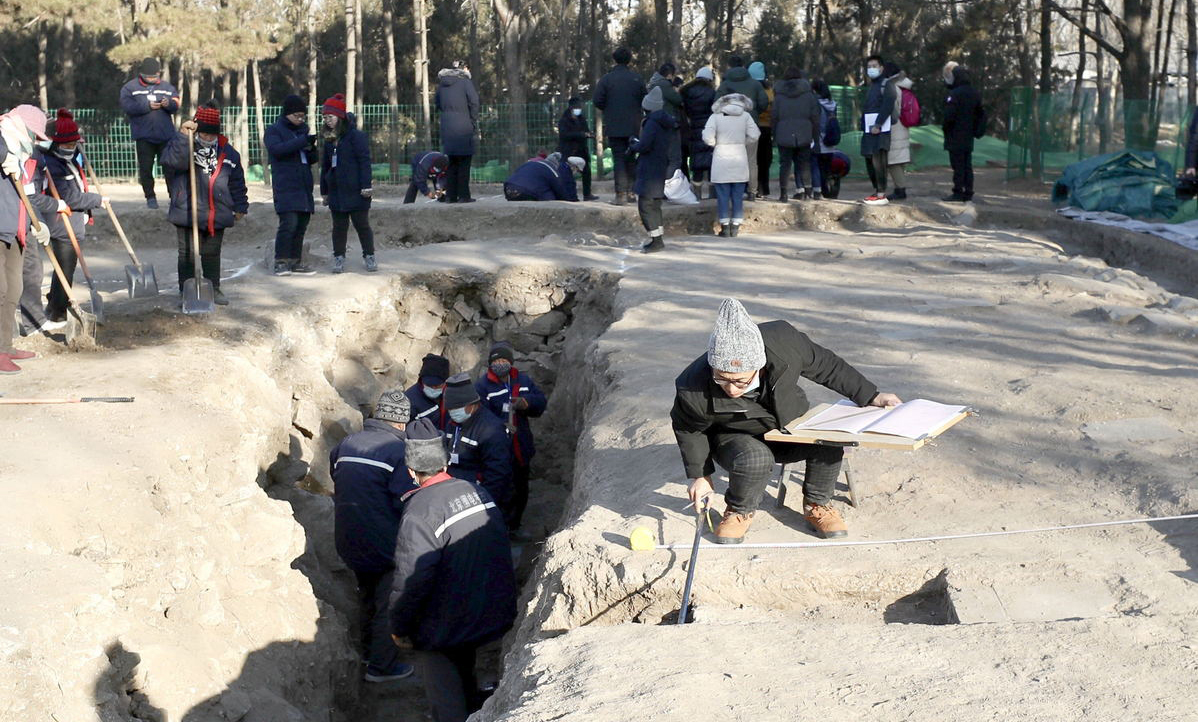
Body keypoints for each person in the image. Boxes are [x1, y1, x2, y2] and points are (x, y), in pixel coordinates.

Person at [671, 298, 902, 544]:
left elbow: (827, 366)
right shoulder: (692, 384)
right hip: (733, 435)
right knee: (755, 458)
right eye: (721, 379)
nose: (730, 388)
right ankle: (739, 511)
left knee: (830, 436)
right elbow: (688, 428)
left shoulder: (784, 342)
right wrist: (701, 476)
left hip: (788, 422)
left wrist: (871, 395)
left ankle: (818, 503)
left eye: (740, 381)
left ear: (759, 366)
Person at [390, 418, 518, 722]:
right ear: (445, 462)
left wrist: (399, 626)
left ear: (411, 471)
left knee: (445, 696)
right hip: (487, 610)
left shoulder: (420, 512)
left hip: (445, 625)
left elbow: (411, 580)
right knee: (468, 679)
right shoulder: (477, 492)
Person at [329, 389, 417, 683]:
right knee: (388, 603)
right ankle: (382, 666)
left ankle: (367, 651)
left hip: (348, 538)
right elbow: (406, 500)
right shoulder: (398, 451)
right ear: (402, 422)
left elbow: (337, 478)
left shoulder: (346, 444)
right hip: (383, 543)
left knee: (366, 595)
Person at [161, 101, 248, 307]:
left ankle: (213, 287)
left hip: (216, 211)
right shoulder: (184, 145)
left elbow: (237, 182)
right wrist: (184, 137)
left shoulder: (228, 153)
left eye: (212, 135)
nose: (208, 138)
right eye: (204, 134)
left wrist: (240, 205)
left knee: (212, 252)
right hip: (187, 209)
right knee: (187, 254)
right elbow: (172, 162)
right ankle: (186, 290)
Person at [0, 105, 55, 374]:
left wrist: (36, 223)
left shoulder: (23, 154)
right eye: (33, 133)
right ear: (21, 126)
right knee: (0, 290)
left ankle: (5, 346)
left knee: (14, 289)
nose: (34, 140)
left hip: (15, 228)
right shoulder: (3, 138)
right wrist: (3, 155)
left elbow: (26, 195)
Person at [42, 109, 107, 325]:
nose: (71, 148)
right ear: (58, 143)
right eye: (68, 145)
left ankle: (54, 303)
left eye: (74, 144)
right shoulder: (53, 164)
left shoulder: (68, 159)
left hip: (72, 221)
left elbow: (76, 187)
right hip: (62, 223)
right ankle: (59, 310)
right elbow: (69, 196)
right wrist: (96, 200)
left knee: (63, 267)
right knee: (66, 268)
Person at [475, 341, 547, 533]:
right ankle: (500, 529)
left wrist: (526, 403)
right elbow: (479, 416)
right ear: (490, 363)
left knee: (521, 488)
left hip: (521, 447)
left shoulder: (522, 380)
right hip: (497, 450)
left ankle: (515, 526)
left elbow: (541, 402)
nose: (500, 364)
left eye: (504, 360)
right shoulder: (482, 386)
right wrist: (500, 425)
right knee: (501, 488)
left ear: (511, 361)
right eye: (496, 361)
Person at [441, 373, 514, 518]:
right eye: (450, 409)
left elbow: (497, 476)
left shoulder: (491, 430)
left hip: (482, 498)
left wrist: (484, 507)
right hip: (457, 494)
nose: (453, 412)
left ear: (472, 404)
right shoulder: (453, 424)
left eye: (457, 408)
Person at [319, 93, 377, 273]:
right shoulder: (329, 140)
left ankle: (369, 255)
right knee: (339, 227)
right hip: (336, 191)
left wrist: (366, 185)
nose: (328, 121)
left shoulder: (356, 137)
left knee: (362, 225)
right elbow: (325, 166)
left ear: (340, 116)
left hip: (357, 190)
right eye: (325, 118)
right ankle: (338, 257)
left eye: (331, 117)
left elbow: (364, 161)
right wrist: (325, 191)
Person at [265, 94, 318, 276]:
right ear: (287, 113)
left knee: (301, 224)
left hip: (303, 186)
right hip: (286, 185)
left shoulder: (302, 132)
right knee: (289, 223)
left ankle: (295, 262)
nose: (300, 119)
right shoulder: (274, 131)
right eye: (297, 116)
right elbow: (277, 150)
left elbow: (311, 159)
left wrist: (311, 148)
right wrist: (302, 141)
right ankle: (281, 261)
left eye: (303, 116)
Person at [119, 58, 180, 209]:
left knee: (170, 168)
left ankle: (174, 198)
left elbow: (176, 103)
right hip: (144, 136)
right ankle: (150, 198)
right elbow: (127, 106)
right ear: (141, 74)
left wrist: (168, 104)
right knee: (145, 169)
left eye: (154, 76)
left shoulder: (167, 87)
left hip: (166, 136)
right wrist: (147, 106)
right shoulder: (130, 88)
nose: (152, 79)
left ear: (159, 73)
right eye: (149, 76)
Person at [593, 47, 647, 206]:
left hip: (614, 125)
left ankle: (620, 194)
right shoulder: (637, 78)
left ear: (614, 59)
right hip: (634, 126)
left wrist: (610, 109)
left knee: (619, 159)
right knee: (632, 158)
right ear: (629, 60)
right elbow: (645, 100)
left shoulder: (606, 79)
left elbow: (597, 100)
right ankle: (632, 192)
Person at [703, 93, 759, 237]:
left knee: (722, 194)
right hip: (739, 156)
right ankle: (735, 226)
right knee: (738, 194)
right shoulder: (746, 116)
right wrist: (742, 143)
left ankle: (725, 227)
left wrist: (715, 144)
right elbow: (754, 134)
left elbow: (707, 137)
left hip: (721, 156)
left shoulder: (715, 116)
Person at [631, 86, 678, 254]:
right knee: (655, 204)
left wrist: (634, 145)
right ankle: (658, 238)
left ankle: (656, 240)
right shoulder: (665, 122)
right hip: (660, 165)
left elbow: (645, 145)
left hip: (649, 167)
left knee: (645, 204)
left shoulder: (652, 123)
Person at [716, 56, 769, 200]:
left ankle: (734, 192)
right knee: (751, 160)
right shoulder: (755, 84)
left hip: (730, 127)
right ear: (744, 66)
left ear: (729, 66)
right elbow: (764, 102)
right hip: (750, 125)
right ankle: (752, 191)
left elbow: (716, 103)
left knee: (731, 159)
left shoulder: (725, 85)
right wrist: (754, 112)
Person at [772, 68, 820, 202]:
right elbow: (815, 117)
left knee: (785, 164)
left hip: (783, 133)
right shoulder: (809, 95)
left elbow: (774, 117)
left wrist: (774, 134)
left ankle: (783, 193)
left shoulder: (779, 96)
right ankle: (808, 192)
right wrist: (815, 136)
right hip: (804, 133)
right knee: (804, 163)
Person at [435, 60, 480, 204]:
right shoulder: (465, 82)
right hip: (464, 127)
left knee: (452, 163)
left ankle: (450, 196)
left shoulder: (442, 85)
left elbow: (437, 103)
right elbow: (474, 101)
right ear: (464, 69)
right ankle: (464, 195)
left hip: (447, 128)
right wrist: (473, 120)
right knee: (464, 163)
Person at [942, 62, 982, 203]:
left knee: (957, 165)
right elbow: (981, 114)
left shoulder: (955, 94)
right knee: (967, 164)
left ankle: (958, 191)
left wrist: (945, 128)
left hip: (955, 134)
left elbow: (949, 115)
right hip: (968, 135)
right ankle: (968, 191)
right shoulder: (975, 93)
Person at [860, 54, 898, 206]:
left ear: (881, 68)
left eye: (874, 66)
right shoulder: (872, 86)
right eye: (869, 66)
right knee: (869, 160)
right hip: (868, 130)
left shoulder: (886, 84)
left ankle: (881, 194)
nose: (871, 69)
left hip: (880, 130)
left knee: (879, 161)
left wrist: (878, 124)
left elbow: (888, 105)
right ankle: (877, 191)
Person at [681, 67, 717, 199]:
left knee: (696, 160)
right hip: (709, 128)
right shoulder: (712, 92)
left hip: (693, 128)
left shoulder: (686, 91)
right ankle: (713, 193)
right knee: (711, 159)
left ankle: (697, 192)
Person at [557, 97, 598, 201]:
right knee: (567, 173)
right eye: (576, 107)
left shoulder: (581, 119)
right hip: (569, 150)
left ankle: (587, 194)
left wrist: (590, 134)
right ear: (571, 108)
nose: (578, 109)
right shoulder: (564, 120)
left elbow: (586, 130)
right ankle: (568, 194)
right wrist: (581, 134)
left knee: (586, 171)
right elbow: (564, 135)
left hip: (581, 149)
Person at [648, 63, 684, 175]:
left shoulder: (652, 83)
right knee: (674, 158)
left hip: (656, 123)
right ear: (669, 75)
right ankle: (670, 182)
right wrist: (677, 90)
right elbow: (678, 100)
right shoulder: (664, 84)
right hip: (669, 123)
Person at [503, 152, 582, 202]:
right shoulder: (553, 171)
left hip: (509, 189)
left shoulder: (531, 163)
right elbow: (560, 192)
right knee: (550, 196)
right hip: (526, 192)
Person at [885, 62, 913, 201]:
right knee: (899, 160)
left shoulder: (893, 88)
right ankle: (899, 188)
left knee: (893, 161)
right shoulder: (903, 86)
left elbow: (893, 110)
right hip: (903, 127)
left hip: (894, 127)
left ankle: (900, 190)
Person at [748, 62, 774, 199]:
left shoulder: (748, 89)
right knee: (765, 160)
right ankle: (763, 189)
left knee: (751, 159)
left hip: (750, 127)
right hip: (766, 128)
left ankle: (751, 188)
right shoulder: (769, 91)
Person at [810, 79, 839, 200]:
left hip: (819, 139)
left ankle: (819, 191)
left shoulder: (815, 103)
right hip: (830, 140)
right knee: (826, 169)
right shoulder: (833, 104)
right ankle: (829, 190)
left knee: (816, 167)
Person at [405, 353, 451, 430]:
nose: (433, 388)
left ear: (445, 383)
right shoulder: (409, 401)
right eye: (429, 385)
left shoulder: (451, 394)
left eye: (437, 386)